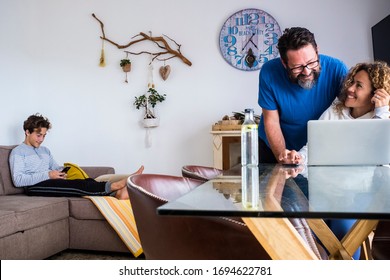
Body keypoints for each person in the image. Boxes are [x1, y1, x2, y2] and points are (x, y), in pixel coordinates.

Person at [258, 27, 348, 163]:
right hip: (274, 146)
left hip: (319, 147)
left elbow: (349, 112)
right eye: (297, 67)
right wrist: (283, 157)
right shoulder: (269, 72)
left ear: (317, 51)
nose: (307, 72)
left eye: (312, 62)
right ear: (284, 63)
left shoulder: (337, 68)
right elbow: (271, 121)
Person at [9, 113, 144, 200]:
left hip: (51, 180)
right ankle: (116, 186)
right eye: (39, 135)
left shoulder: (45, 150)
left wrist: (62, 172)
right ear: (27, 132)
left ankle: (118, 194)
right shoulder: (18, 152)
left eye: (44, 135)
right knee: (76, 185)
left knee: (86, 181)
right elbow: (18, 180)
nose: (42, 139)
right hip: (34, 187)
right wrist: (49, 175)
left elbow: (55, 167)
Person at [279, 61, 390, 165]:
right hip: (329, 180)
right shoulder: (336, 109)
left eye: (359, 85)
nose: (350, 88)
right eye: (352, 82)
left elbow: (380, 159)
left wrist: (381, 113)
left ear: (375, 94)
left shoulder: (382, 118)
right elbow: (314, 147)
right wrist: (299, 157)